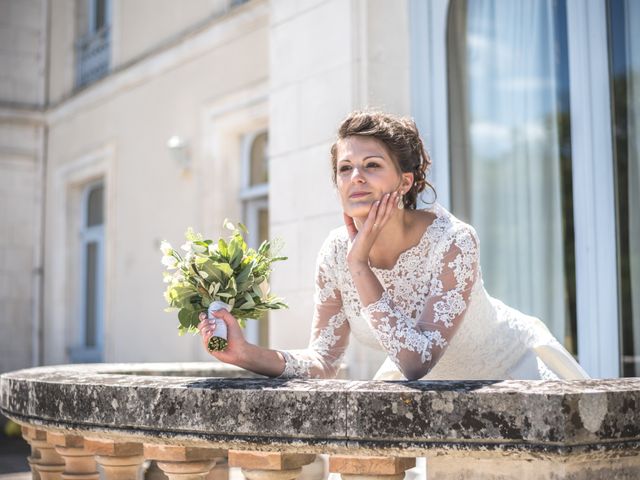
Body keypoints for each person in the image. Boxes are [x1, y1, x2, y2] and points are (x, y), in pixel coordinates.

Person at [198, 111, 589, 381]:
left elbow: (416, 362)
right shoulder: (335, 252)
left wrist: (360, 266)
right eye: (345, 169)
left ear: (404, 183)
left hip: (515, 377)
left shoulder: (453, 241)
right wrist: (244, 353)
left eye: (372, 165)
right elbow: (324, 360)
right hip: (438, 403)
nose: (356, 178)